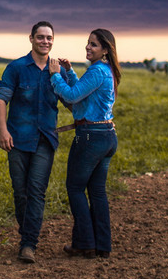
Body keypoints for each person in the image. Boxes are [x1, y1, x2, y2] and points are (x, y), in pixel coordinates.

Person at [49, 28, 120, 259]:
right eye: (88, 43)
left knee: (75, 188)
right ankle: (102, 245)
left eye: (94, 45)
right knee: (97, 192)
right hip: (107, 135)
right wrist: (69, 72)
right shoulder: (105, 70)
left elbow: (71, 97)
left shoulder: (97, 70)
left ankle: (84, 243)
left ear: (105, 50)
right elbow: (82, 92)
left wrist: (55, 75)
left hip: (90, 137)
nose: (88, 47)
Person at [0, 21, 60, 263]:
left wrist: (65, 75)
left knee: (36, 192)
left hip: (45, 139)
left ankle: (29, 243)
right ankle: (26, 233)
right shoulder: (17, 68)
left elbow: (73, 100)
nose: (45, 41)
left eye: (49, 38)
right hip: (18, 139)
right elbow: (1, 99)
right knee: (20, 192)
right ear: (30, 38)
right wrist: (3, 131)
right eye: (40, 37)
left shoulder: (58, 70)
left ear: (53, 40)